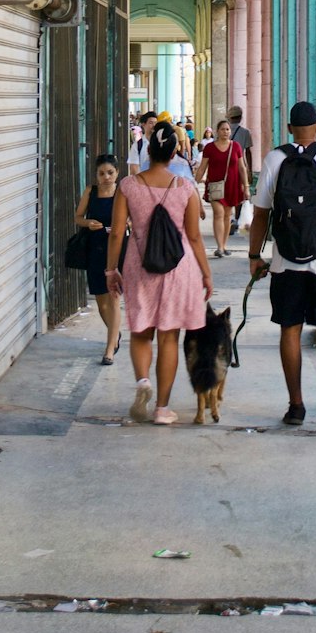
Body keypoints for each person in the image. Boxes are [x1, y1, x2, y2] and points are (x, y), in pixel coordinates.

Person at [249, 101, 316, 426]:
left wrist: (255, 256)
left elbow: (260, 214)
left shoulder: (275, 158)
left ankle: (296, 405)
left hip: (287, 261)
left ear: (288, 129)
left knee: (290, 328)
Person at [106, 122, 213, 424]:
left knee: (141, 332)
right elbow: (193, 237)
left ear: (149, 151)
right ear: (175, 152)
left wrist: (111, 270)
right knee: (168, 337)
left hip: (139, 267)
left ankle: (143, 382)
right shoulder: (186, 189)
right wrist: (206, 274)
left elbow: (116, 233)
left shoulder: (128, 186)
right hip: (178, 270)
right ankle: (162, 410)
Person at [73, 153, 123, 365]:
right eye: (102, 173)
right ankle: (115, 334)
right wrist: (88, 223)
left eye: (110, 173)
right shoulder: (90, 192)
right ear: (96, 175)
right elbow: (77, 217)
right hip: (94, 248)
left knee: (113, 298)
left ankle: (110, 348)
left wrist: (125, 225)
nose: (106, 177)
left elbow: (131, 218)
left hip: (116, 249)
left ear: (117, 173)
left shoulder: (122, 193)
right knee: (101, 302)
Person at [195, 119, 248, 258]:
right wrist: (194, 182)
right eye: (223, 129)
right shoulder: (210, 148)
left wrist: (246, 186)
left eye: (228, 129)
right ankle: (219, 247)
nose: (226, 132)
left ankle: (224, 246)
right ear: (217, 131)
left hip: (232, 185)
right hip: (215, 186)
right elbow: (202, 167)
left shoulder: (236, 147)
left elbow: (242, 168)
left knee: (226, 215)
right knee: (218, 213)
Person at [226, 105, 253, 236]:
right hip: (239, 166)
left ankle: (228, 217)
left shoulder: (223, 130)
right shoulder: (245, 132)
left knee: (225, 192)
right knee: (239, 194)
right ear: (241, 117)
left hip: (224, 166)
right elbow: (248, 152)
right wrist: (250, 170)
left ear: (229, 117)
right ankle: (235, 219)